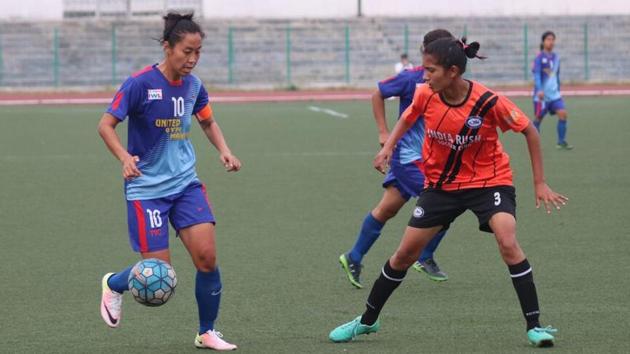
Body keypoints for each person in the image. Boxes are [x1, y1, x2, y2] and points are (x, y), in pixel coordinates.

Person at [329, 36, 568, 348]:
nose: (424, 75)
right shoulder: (425, 94)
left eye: (431, 70)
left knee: (507, 240)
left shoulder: (488, 101)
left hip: (489, 181)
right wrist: (387, 146)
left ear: (453, 71)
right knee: (404, 254)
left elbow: (529, 130)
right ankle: (367, 321)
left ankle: (535, 326)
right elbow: (406, 118)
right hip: (441, 186)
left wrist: (539, 182)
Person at [97, 12, 240, 351]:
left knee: (207, 257)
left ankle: (207, 331)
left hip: (186, 185)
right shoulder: (139, 84)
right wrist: (124, 158)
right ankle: (115, 283)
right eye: (186, 51)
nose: (192, 59)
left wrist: (224, 150)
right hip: (147, 191)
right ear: (167, 47)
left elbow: (207, 121)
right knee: (160, 273)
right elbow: (105, 125)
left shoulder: (194, 86)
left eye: (198, 52)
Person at [339, 29, 454, 289]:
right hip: (408, 158)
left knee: (387, 209)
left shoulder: (447, 82)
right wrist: (383, 131)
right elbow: (378, 93)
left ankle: (353, 256)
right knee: (445, 202)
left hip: (427, 158)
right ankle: (423, 256)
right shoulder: (411, 79)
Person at [532, 31, 572, 150]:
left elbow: (556, 75)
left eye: (552, 39)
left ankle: (561, 142)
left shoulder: (556, 58)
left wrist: (558, 88)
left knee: (563, 114)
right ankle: (534, 143)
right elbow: (537, 75)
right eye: (548, 39)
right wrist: (539, 90)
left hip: (554, 95)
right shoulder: (539, 58)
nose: (551, 42)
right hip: (541, 96)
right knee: (538, 119)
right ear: (543, 42)